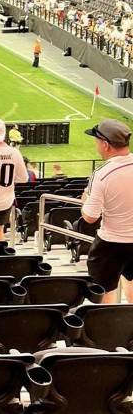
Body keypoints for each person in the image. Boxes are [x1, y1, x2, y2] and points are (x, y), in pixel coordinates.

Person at [80, 119, 133, 304]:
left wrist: (85, 200)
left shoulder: (102, 174)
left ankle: (111, 329)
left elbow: (89, 216)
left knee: (104, 293)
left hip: (110, 243)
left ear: (105, 144)